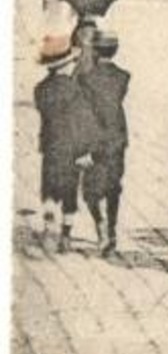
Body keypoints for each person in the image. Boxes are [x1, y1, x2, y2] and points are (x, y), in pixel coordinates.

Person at [34, 34, 101, 253]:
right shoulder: (75, 90)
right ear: (65, 66)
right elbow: (84, 122)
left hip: (50, 148)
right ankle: (65, 236)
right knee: (69, 194)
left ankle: (47, 229)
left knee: (49, 191)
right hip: (72, 150)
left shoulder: (40, 89)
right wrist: (89, 149)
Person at [79, 30, 130, 256]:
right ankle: (112, 229)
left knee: (90, 191)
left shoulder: (86, 79)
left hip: (94, 142)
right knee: (113, 188)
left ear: (95, 51)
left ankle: (100, 226)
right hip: (117, 141)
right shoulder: (123, 76)